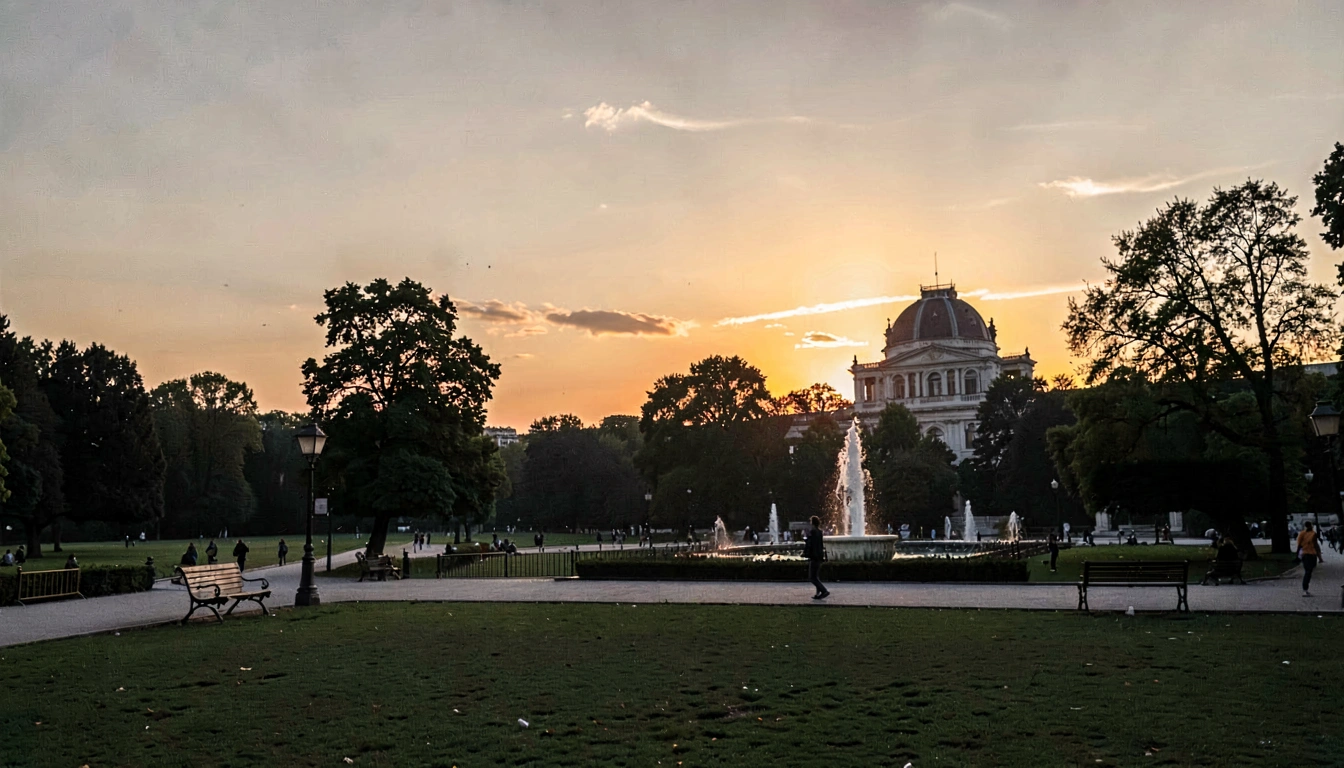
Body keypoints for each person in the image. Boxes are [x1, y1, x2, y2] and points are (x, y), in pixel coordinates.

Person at [803, 515, 829, 600]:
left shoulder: (813, 532)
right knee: (816, 576)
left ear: (812, 523)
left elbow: (811, 544)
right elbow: (820, 545)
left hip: (814, 557)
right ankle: (818, 594)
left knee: (812, 577)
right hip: (819, 556)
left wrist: (805, 551)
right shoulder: (819, 532)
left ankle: (824, 591)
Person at [1296, 521, 1324, 597]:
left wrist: (1297, 555)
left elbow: (1299, 545)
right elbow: (1316, 545)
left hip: (1304, 554)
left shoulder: (1302, 533)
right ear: (1311, 526)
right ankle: (1305, 589)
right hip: (1311, 554)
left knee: (1308, 571)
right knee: (1308, 572)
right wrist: (1320, 557)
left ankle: (1305, 589)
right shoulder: (1313, 534)